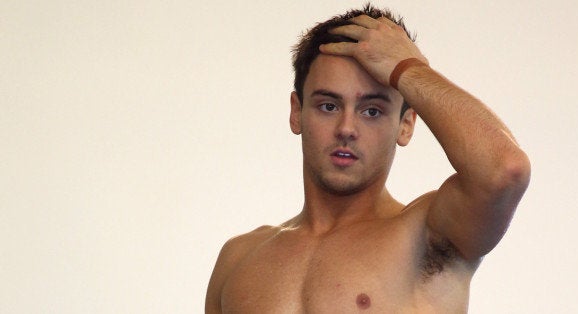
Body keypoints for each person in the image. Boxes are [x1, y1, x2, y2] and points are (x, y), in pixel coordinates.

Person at [205, 4, 530, 313]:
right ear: (296, 112)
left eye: (372, 111)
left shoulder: (427, 238)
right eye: (328, 106)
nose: (346, 128)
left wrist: (408, 68)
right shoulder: (239, 260)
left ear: (406, 124)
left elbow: (504, 170)